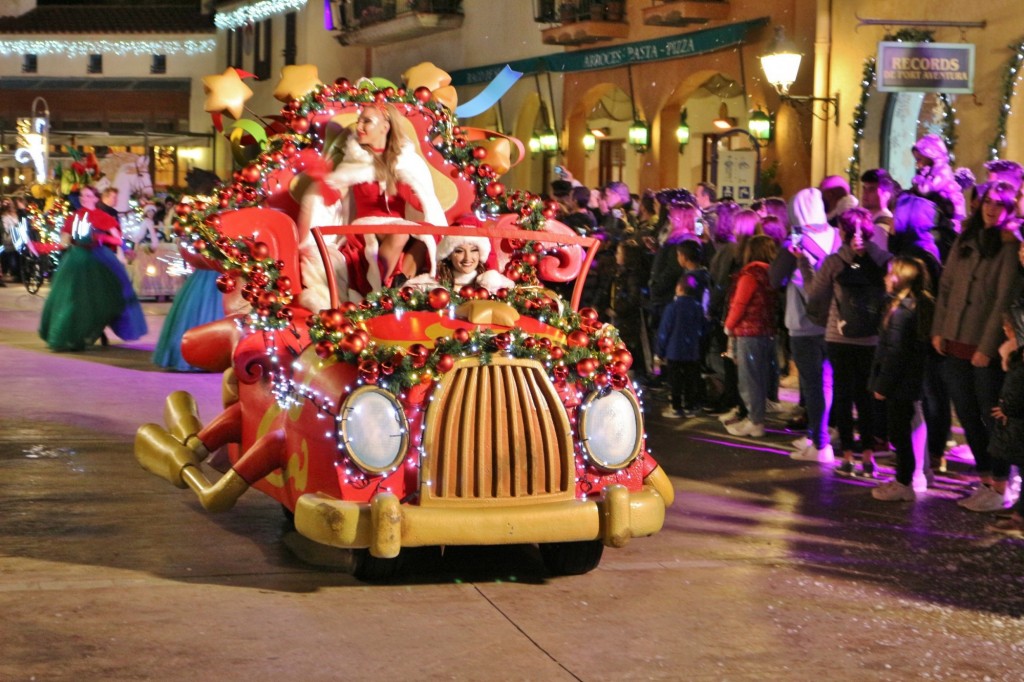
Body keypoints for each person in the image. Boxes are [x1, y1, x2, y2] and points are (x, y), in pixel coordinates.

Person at [932, 180, 1023, 512]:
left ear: (1009, 209)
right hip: (955, 339)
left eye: (999, 204)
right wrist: (940, 329)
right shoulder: (965, 238)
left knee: (990, 415)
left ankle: (1001, 484)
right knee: (968, 416)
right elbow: (947, 286)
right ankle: (985, 479)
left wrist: (986, 346)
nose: (991, 208)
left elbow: (1004, 299)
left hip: (981, 344)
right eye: (987, 201)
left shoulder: (1008, 246)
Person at [323, 103, 447, 295]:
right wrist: (325, 187)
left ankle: (400, 283)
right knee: (400, 233)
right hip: (366, 224)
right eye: (359, 121)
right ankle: (379, 290)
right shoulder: (355, 160)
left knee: (427, 233)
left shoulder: (407, 161)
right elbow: (337, 195)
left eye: (367, 121)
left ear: (385, 127)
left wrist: (412, 191)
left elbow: (423, 203)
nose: (359, 127)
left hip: (397, 223)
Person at [805, 207, 892, 477]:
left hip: (838, 336)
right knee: (866, 398)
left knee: (843, 395)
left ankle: (847, 458)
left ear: (842, 232)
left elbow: (814, 294)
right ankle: (868, 458)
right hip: (872, 338)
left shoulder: (834, 262)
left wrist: (803, 265)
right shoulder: (884, 260)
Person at [770, 187, 843, 463]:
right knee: (826, 384)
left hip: (803, 322)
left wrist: (790, 253)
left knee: (812, 385)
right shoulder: (837, 236)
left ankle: (821, 444)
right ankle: (817, 435)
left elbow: (774, 278)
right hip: (834, 322)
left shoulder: (797, 241)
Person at [38, 185, 147, 351]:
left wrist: (103, 238)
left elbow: (118, 239)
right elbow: (64, 243)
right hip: (76, 260)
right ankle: (71, 335)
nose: (84, 198)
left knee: (102, 296)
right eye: (82, 195)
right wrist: (43, 247)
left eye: (88, 195)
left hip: (98, 259)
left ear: (96, 198)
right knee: (73, 298)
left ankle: (95, 328)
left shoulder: (103, 217)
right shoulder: (73, 217)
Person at [869, 257, 935, 501]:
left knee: (899, 433)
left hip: (900, 385)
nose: (885, 278)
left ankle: (903, 482)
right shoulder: (910, 307)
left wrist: (882, 386)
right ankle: (902, 479)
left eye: (889, 274)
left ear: (900, 279)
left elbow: (895, 353)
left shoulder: (902, 313)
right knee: (900, 431)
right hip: (905, 383)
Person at [723, 234, 778, 437]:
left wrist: (728, 325)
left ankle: (755, 422)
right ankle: (756, 417)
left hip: (748, 331)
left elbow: (739, 304)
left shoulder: (749, 275)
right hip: (766, 331)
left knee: (749, 379)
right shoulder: (771, 274)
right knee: (760, 377)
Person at [986, 305, 1024, 535]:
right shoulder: (1015, 356)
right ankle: (1019, 515)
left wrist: (1008, 408)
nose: (1005, 330)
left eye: (1009, 328)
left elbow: (1018, 390)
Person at [656, 274, 707, 419]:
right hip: (692, 352)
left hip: (675, 351)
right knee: (690, 380)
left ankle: (676, 407)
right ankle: (690, 406)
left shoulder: (672, 308)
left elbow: (664, 330)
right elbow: (703, 328)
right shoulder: (697, 307)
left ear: (678, 288)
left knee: (675, 381)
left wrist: (659, 351)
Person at [407, 233, 512, 295]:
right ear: (448, 255)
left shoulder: (495, 285)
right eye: (459, 251)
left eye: (474, 250)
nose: (467, 258)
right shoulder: (431, 286)